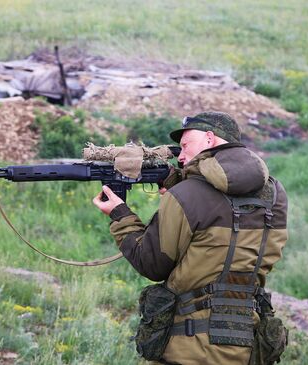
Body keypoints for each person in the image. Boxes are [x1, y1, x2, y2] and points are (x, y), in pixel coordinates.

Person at [92, 111, 288, 365]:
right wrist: (181, 187)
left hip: (187, 347)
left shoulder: (187, 194)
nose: (181, 156)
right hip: (248, 345)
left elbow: (150, 263)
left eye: (185, 146)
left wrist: (121, 216)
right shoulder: (275, 194)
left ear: (209, 139)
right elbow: (224, 231)